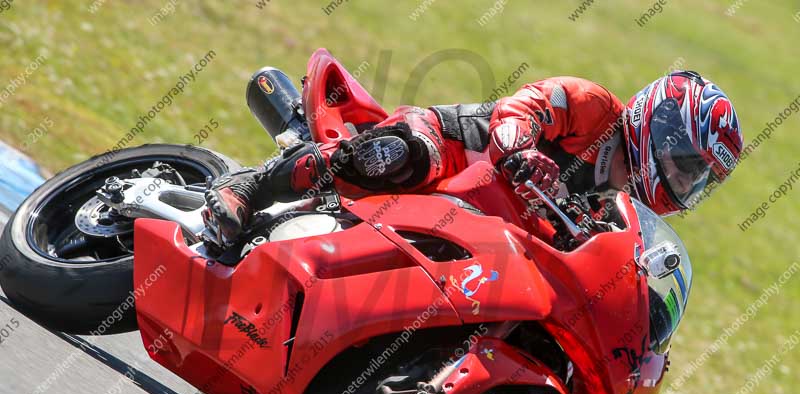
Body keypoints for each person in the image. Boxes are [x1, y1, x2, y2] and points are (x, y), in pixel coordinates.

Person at [202, 70, 743, 245]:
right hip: (452, 151)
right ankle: (249, 187)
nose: (685, 182)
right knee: (399, 154)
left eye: (699, 179)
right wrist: (521, 149)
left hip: (471, 228)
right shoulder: (593, 106)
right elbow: (521, 108)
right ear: (663, 127)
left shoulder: (617, 211)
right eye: (689, 164)